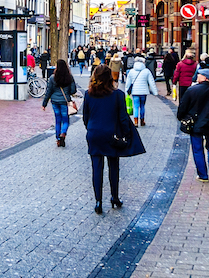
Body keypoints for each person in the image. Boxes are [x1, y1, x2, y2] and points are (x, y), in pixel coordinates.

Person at [80, 65, 145, 214]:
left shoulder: (89, 94)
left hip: (94, 134)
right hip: (111, 134)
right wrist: (127, 135)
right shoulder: (118, 95)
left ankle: (98, 201)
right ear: (110, 77)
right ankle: (114, 197)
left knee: (96, 167)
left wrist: (90, 128)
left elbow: (86, 116)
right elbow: (123, 117)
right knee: (113, 166)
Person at [177, 68, 209, 182]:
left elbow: (183, 106)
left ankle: (203, 175)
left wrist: (181, 117)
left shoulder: (192, 90)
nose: (197, 76)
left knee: (197, 149)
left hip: (195, 123)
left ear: (206, 78)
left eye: (200, 75)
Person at [40, 59, 79, 147]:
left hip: (55, 102)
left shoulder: (52, 78)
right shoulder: (69, 77)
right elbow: (73, 90)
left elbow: (48, 91)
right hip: (65, 102)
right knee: (65, 120)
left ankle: (58, 138)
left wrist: (44, 104)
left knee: (58, 120)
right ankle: (63, 133)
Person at [125, 56, 158, 127]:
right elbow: (151, 82)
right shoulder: (146, 71)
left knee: (136, 106)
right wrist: (155, 92)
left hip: (135, 92)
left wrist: (126, 92)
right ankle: (142, 121)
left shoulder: (131, 71)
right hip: (144, 92)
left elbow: (128, 82)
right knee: (142, 106)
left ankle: (136, 122)